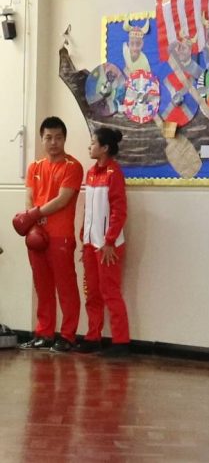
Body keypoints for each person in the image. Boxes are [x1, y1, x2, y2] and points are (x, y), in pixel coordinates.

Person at [12, 117, 84, 353]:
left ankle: (68, 336)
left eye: (58, 137)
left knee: (66, 287)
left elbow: (62, 199)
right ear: (42, 139)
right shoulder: (35, 167)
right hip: (37, 235)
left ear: (64, 139)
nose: (54, 142)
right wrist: (33, 223)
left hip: (60, 236)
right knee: (42, 286)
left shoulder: (73, 166)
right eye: (49, 137)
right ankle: (44, 333)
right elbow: (29, 196)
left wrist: (33, 214)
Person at [77, 127, 131, 357]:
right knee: (92, 293)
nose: (89, 146)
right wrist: (84, 237)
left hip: (108, 246)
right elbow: (89, 210)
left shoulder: (114, 173)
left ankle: (121, 342)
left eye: (93, 143)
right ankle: (93, 336)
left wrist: (109, 241)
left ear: (105, 148)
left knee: (110, 292)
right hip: (90, 244)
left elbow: (119, 210)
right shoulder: (90, 173)